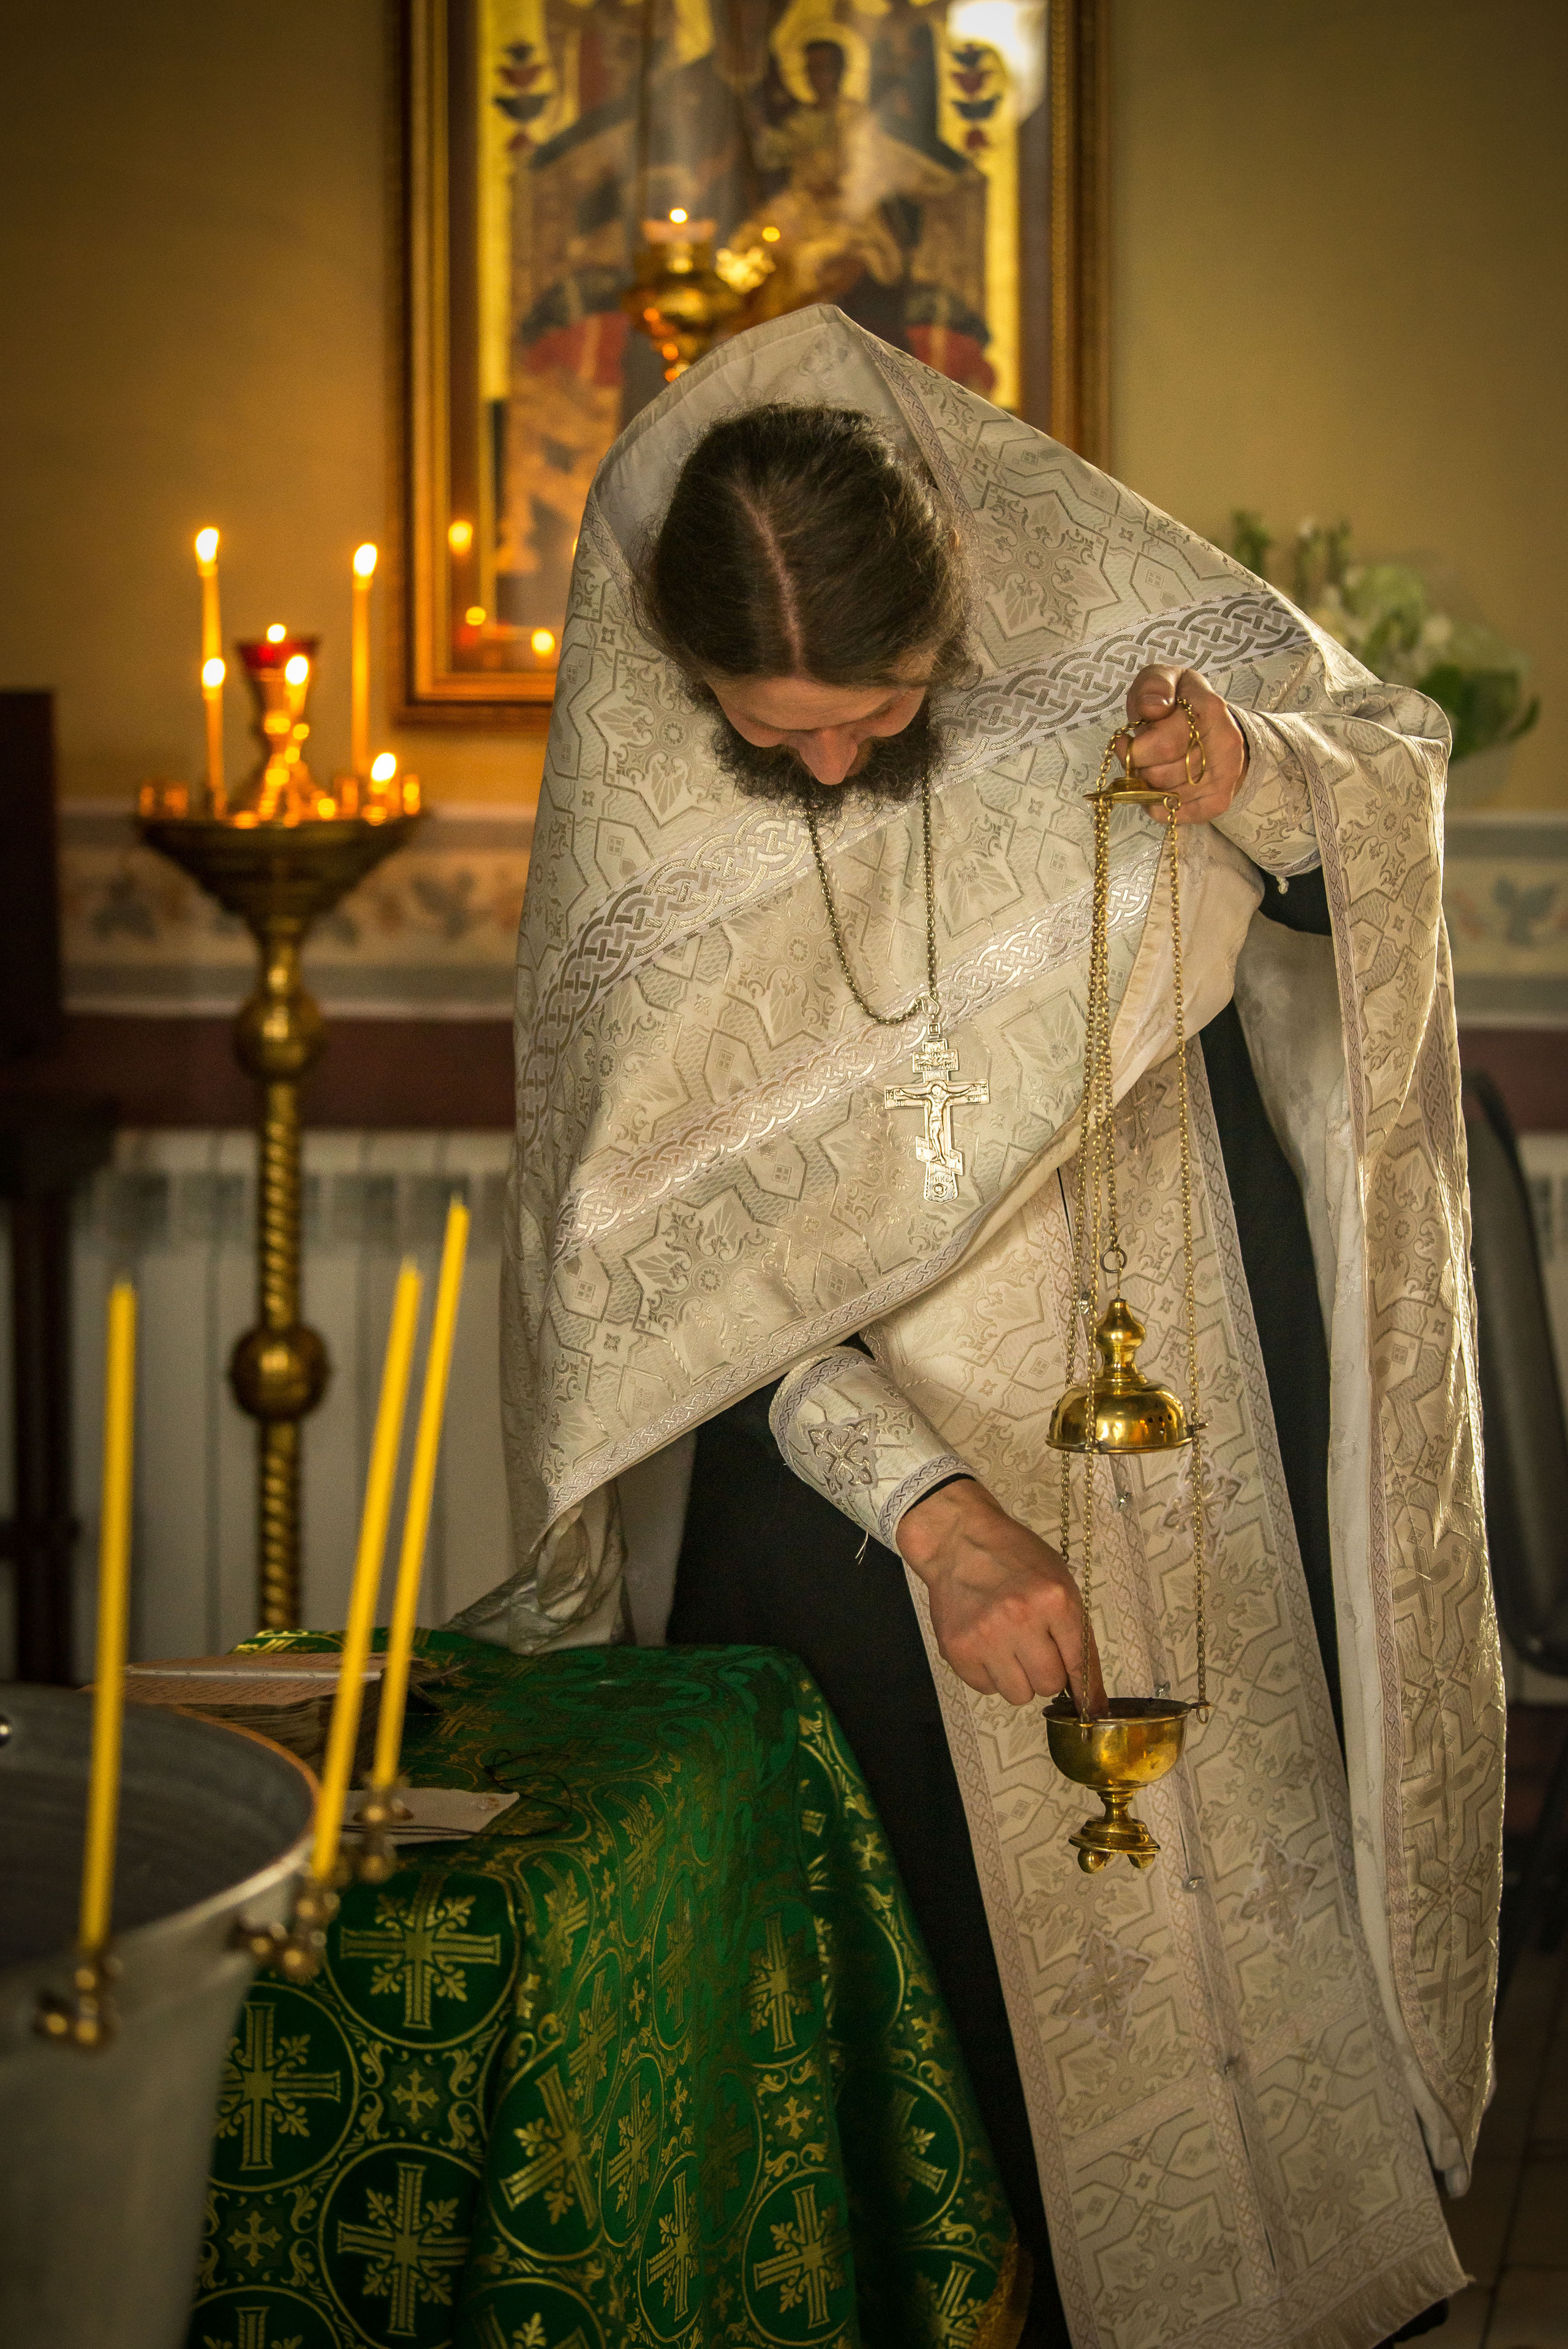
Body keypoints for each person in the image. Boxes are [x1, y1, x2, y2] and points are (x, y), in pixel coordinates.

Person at [460, 306, 1502, 2348]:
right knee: (941, 2149)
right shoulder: (647, 880)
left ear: (960, 602)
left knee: (1244, 2000)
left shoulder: (1103, 656)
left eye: (883, 704)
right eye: (781, 731)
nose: (835, 758)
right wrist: (935, 1512)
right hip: (842, 1544)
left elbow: (1374, 789)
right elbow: (664, 1301)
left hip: (1198, 1420)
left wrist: (1256, 772)